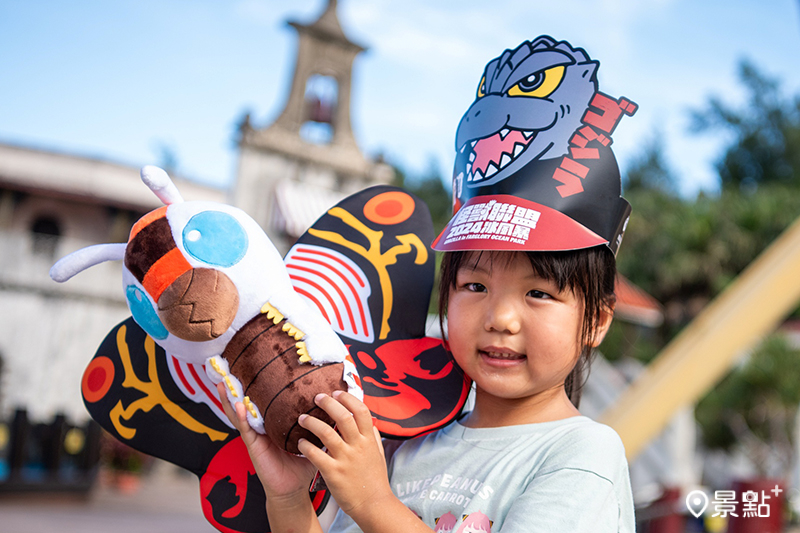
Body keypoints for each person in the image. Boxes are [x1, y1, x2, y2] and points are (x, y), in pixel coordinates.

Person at [218, 35, 637, 533]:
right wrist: (289, 501)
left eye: (539, 293)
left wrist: (375, 503)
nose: (500, 319)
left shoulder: (581, 454)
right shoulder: (405, 438)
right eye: (475, 287)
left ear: (597, 319)